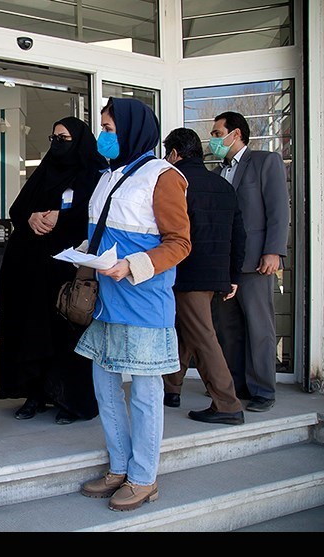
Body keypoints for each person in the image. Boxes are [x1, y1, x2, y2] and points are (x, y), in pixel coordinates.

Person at [76, 98, 191, 511]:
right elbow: (105, 232)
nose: (104, 136)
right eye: (103, 128)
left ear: (132, 130)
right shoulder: (109, 175)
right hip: (108, 302)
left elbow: (179, 243)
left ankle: (144, 477)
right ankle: (119, 467)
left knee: (144, 392)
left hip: (143, 301)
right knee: (105, 387)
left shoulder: (163, 176)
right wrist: (85, 253)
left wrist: (132, 265)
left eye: (110, 128)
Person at [0, 117, 106, 424]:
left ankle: (69, 400)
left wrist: (62, 217)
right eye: (54, 137)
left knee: (65, 337)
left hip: (66, 274)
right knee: (32, 332)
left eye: (64, 138)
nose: (57, 144)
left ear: (80, 141)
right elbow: (17, 208)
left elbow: (97, 218)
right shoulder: (44, 172)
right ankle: (35, 394)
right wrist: (30, 218)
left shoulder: (94, 175)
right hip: (30, 270)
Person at [160, 128, 247, 425]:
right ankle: (171, 388)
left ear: (174, 154)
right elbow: (239, 234)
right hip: (215, 275)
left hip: (188, 273)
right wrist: (233, 275)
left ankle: (227, 404)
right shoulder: (221, 185)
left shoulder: (176, 183)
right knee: (186, 330)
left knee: (202, 336)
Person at [209, 111, 289, 413]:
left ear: (237, 133)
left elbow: (279, 211)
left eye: (218, 133)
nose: (214, 139)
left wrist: (274, 251)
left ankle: (263, 390)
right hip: (227, 265)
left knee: (260, 327)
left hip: (257, 262)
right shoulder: (219, 172)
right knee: (228, 329)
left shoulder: (264, 162)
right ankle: (236, 387)